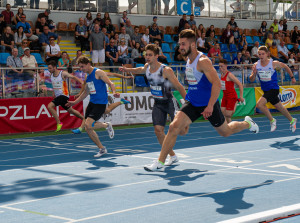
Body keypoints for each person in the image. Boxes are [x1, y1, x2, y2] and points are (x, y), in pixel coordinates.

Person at [143, 29, 259, 172]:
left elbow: (216, 84)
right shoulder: (188, 59)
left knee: (225, 131)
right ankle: (161, 161)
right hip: (192, 101)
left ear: (192, 45)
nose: (180, 47)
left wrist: (210, 106)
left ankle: (247, 123)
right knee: (174, 127)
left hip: (207, 103)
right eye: (180, 44)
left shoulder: (203, 61)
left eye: (183, 44)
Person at [119, 43, 187, 166]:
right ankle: (172, 156)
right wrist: (127, 69)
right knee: (158, 131)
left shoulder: (165, 70)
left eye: (150, 55)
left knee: (182, 131)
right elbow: (139, 70)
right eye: (146, 55)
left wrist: (187, 102)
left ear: (156, 56)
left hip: (169, 102)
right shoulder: (147, 67)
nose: (147, 57)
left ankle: (186, 119)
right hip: (157, 103)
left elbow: (178, 85)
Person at [66, 56, 119, 158]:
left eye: (82, 67)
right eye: (79, 67)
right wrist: (74, 103)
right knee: (87, 128)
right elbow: (86, 93)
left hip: (101, 103)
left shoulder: (98, 73)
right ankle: (102, 148)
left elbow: (110, 83)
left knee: (89, 125)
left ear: (88, 64)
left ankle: (106, 125)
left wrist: (114, 92)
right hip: (92, 103)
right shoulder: (87, 77)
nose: (81, 69)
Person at [249, 46, 297, 132]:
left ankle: (272, 120)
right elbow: (251, 79)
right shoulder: (256, 65)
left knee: (259, 105)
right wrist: (254, 73)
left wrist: (292, 77)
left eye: (263, 54)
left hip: (274, 89)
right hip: (266, 90)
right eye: (259, 54)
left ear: (267, 54)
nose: (261, 56)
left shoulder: (273, 63)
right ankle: (292, 120)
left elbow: (286, 67)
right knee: (280, 108)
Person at [46, 60, 84, 132]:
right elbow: (55, 85)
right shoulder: (51, 75)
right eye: (48, 68)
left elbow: (73, 77)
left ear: (55, 67)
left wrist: (82, 82)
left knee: (50, 106)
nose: (49, 70)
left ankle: (59, 123)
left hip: (64, 95)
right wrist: (54, 93)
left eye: (50, 68)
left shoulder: (62, 73)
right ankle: (84, 119)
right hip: (58, 96)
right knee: (71, 111)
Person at [219, 59, 244, 123]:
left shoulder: (229, 75)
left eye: (222, 66)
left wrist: (241, 96)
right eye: (219, 66)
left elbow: (240, 84)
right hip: (225, 96)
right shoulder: (222, 75)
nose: (220, 68)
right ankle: (227, 127)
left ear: (226, 66)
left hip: (231, 96)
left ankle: (229, 128)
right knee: (222, 112)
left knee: (228, 115)